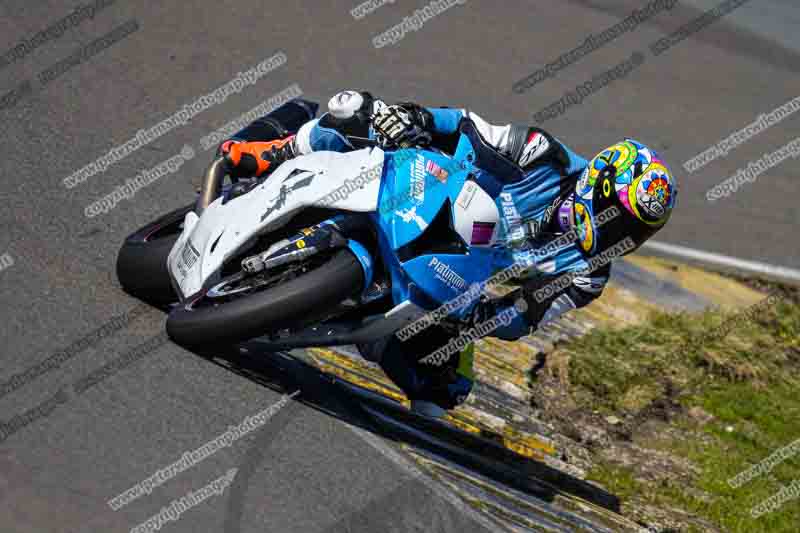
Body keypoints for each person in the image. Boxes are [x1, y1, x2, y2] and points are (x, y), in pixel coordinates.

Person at [217, 91, 678, 416]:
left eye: (635, 232)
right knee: (354, 112)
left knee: (443, 393)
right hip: (420, 191)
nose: (621, 234)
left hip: (452, 276)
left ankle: (336, 314)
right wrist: (414, 120)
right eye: (618, 219)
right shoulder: (540, 155)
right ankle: (274, 148)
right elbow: (464, 126)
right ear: (597, 182)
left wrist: (480, 317)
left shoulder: (587, 276)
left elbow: (527, 315)